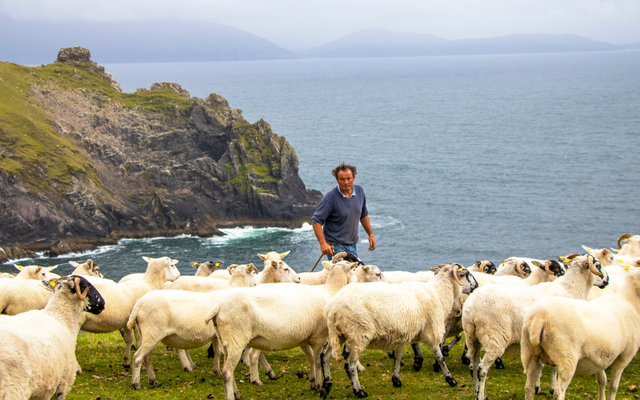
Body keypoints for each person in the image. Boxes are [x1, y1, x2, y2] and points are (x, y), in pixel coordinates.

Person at [311, 163, 376, 259]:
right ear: (337, 179)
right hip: (335, 246)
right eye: (342, 179)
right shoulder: (329, 198)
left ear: (353, 177)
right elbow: (316, 221)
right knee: (343, 273)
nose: (346, 182)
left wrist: (371, 234)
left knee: (355, 272)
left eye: (349, 178)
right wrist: (323, 243)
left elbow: (363, 214)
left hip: (352, 245)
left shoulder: (359, 191)